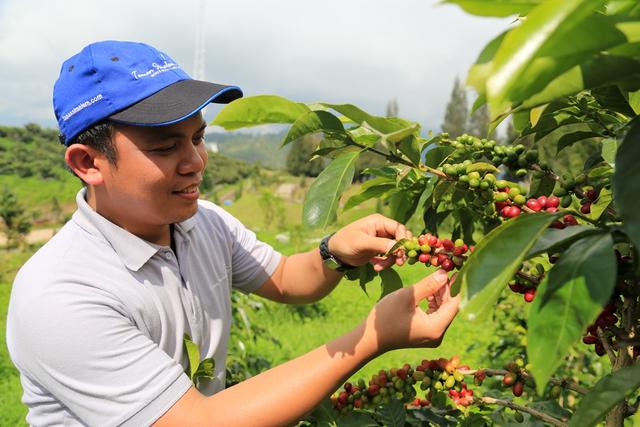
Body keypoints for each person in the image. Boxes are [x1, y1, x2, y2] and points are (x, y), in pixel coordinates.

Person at [6, 40, 459, 427]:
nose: (196, 162)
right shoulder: (60, 294)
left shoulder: (203, 222)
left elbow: (284, 278)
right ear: (88, 164)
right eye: (166, 146)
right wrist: (371, 338)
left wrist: (335, 252)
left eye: (198, 138)